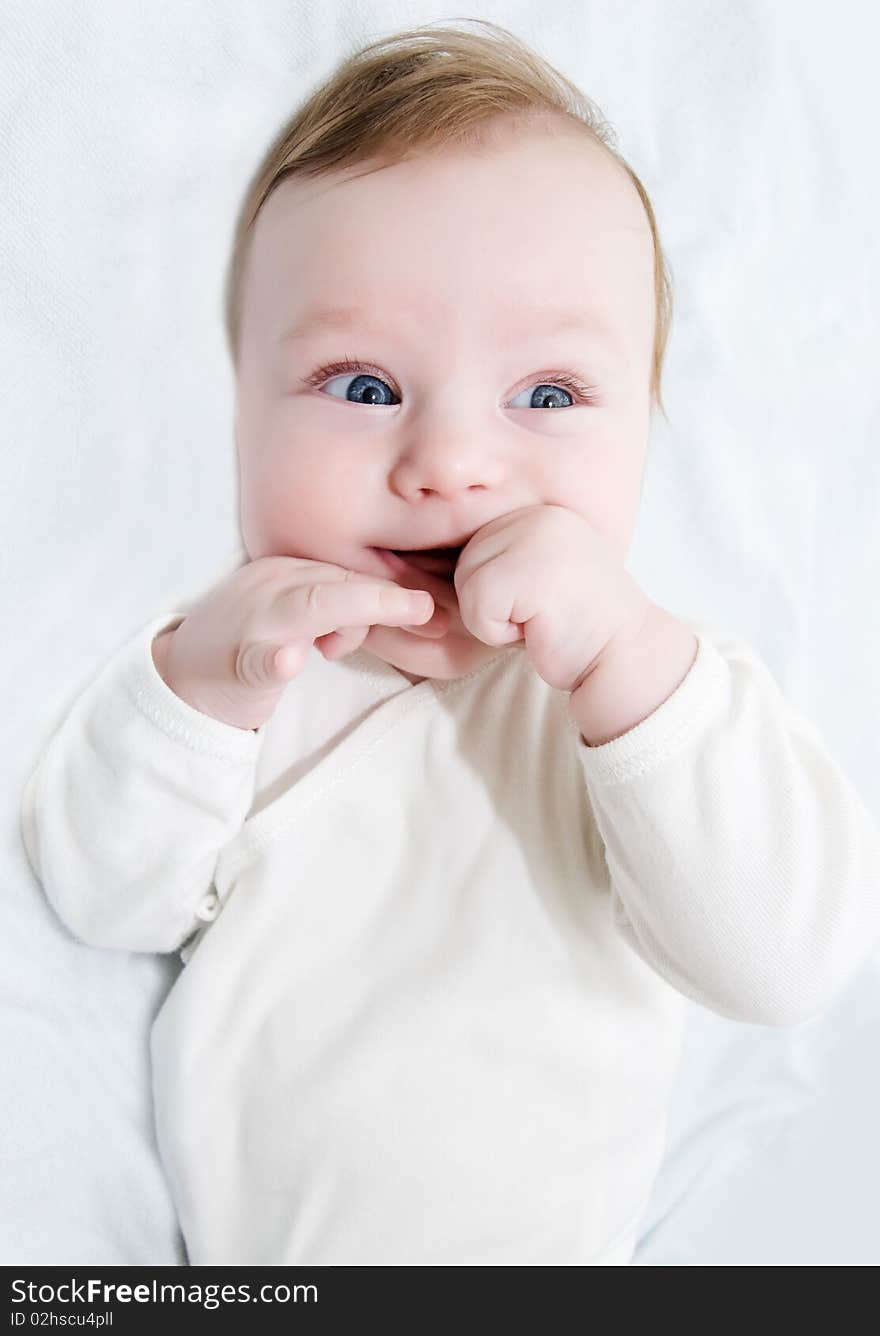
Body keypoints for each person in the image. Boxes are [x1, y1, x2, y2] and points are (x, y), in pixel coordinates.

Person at [20, 20, 880, 1265]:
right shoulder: (245, 674)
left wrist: (623, 667)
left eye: (546, 396)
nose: (447, 466)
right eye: (363, 388)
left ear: (644, 431)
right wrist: (197, 683)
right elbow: (101, 897)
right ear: (239, 413)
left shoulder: (647, 709)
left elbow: (783, 964)